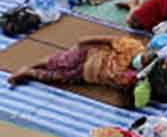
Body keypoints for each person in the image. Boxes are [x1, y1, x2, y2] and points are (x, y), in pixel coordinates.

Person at [8, 33, 145, 94]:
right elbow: (110, 39)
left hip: (86, 75)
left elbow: (121, 86)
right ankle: (35, 65)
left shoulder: (135, 76)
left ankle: (29, 72)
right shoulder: (134, 47)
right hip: (89, 54)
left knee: (60, 77)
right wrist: (86, 40)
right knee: (61, 62)